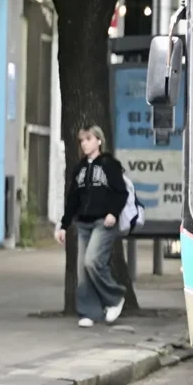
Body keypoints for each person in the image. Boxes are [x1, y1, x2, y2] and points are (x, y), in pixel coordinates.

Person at [56, 126, 128, 328]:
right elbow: (72, 200)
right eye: (82, 140)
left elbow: (121, 192)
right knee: (83, 270)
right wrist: (64, 225)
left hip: (103, 222)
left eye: (88, 139)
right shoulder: (79, 168)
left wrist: (113, 212)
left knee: (92, 261)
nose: (84, 143)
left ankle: (115, 298)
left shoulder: (109, 164)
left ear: (99, 141)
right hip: (83, 224)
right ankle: (90, 312)